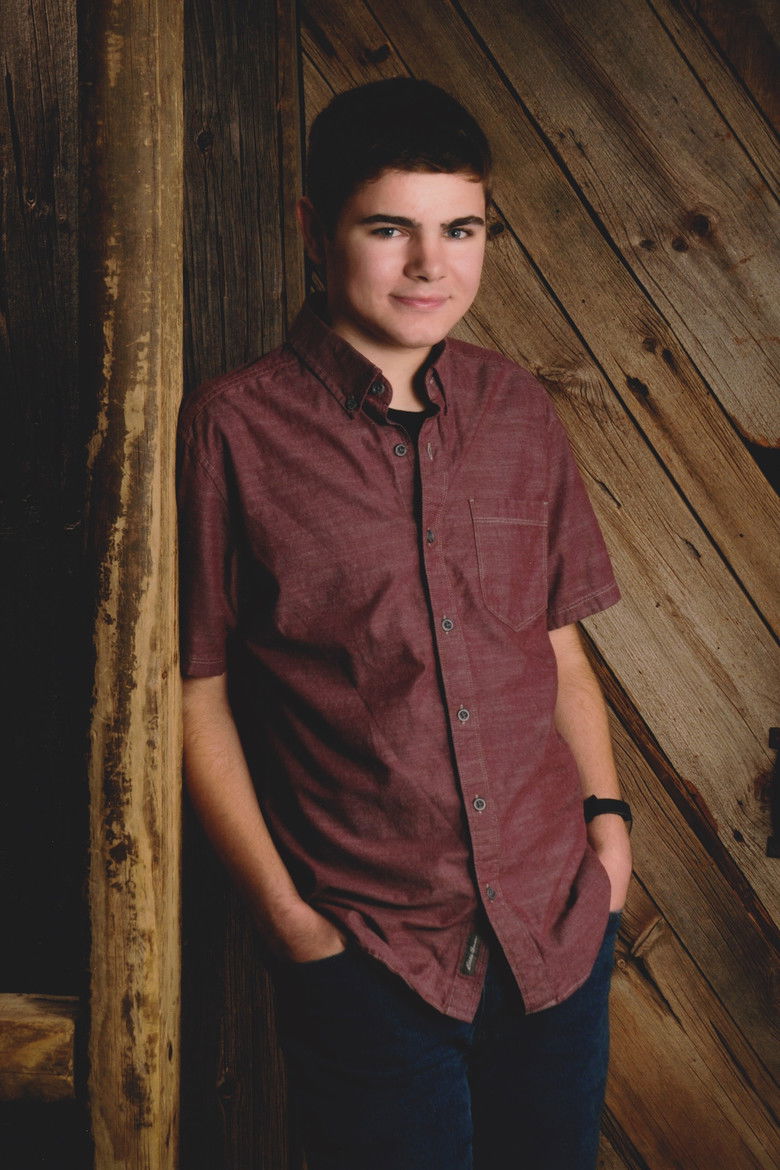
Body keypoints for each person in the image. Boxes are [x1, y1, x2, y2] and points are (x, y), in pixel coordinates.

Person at [177, 77, 632, 1170]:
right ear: (315, 230)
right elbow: (191, 691)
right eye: (391, 229)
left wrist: (609, 831)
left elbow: (558, 645)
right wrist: (291, 923)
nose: (432, 264)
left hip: (556, 934)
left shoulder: (519, 410)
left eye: (461, 230)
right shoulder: (232, 429)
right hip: (370, 960)